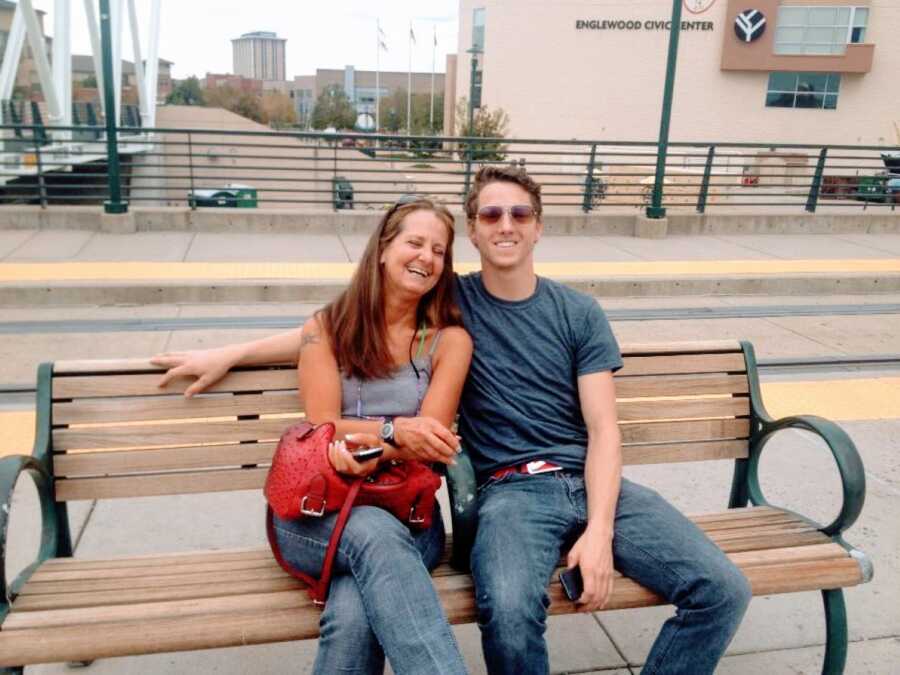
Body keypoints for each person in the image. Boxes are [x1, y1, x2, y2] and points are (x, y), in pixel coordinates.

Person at [154, 166, 752, 675]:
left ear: (539, 226)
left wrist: (599, 531)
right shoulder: (447, 300)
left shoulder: (568, 312)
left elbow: (603, 430)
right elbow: (332, 329)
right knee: (506, 613)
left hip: (583, 481)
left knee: (722, 590)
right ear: (474, 229)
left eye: (520, 214)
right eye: (491, 215)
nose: (506, 226)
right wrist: (231, 352)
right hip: (504, 492)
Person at [155, 197, 472, 675]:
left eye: (439, 250)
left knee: (355, 610)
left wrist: (375, 441)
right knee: (374, 540)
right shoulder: (326, 330)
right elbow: (323, 429)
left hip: (409, 517)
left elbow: (424, 441)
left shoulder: (450, 341)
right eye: (414, 242)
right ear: (383, 249)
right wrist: (391, 432)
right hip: (313, 514)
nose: (426, 257)